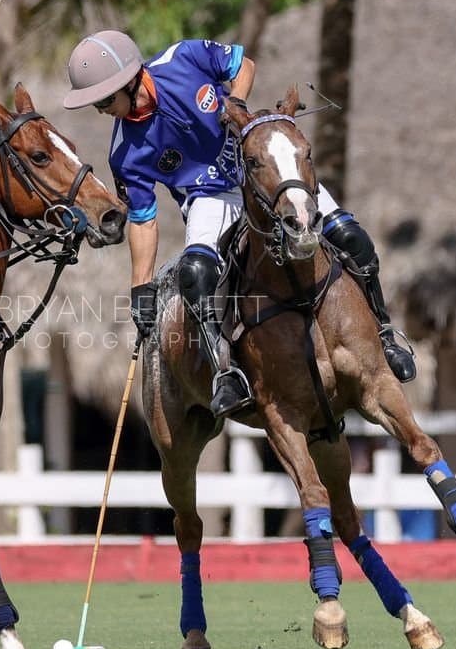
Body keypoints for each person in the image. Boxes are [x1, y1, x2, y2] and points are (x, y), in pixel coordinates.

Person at [63, 30, 415, 418]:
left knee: (350, 237)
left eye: (104, 100)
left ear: (130, 80)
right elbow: (143, 221)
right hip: (209, 197)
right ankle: (225, 372)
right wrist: (140, 287)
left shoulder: (183, 58)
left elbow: (243, 65)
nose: (101, 110)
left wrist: (235, 102)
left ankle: (386, 335)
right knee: (195, 275)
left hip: (264, 171)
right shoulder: (124, 153)